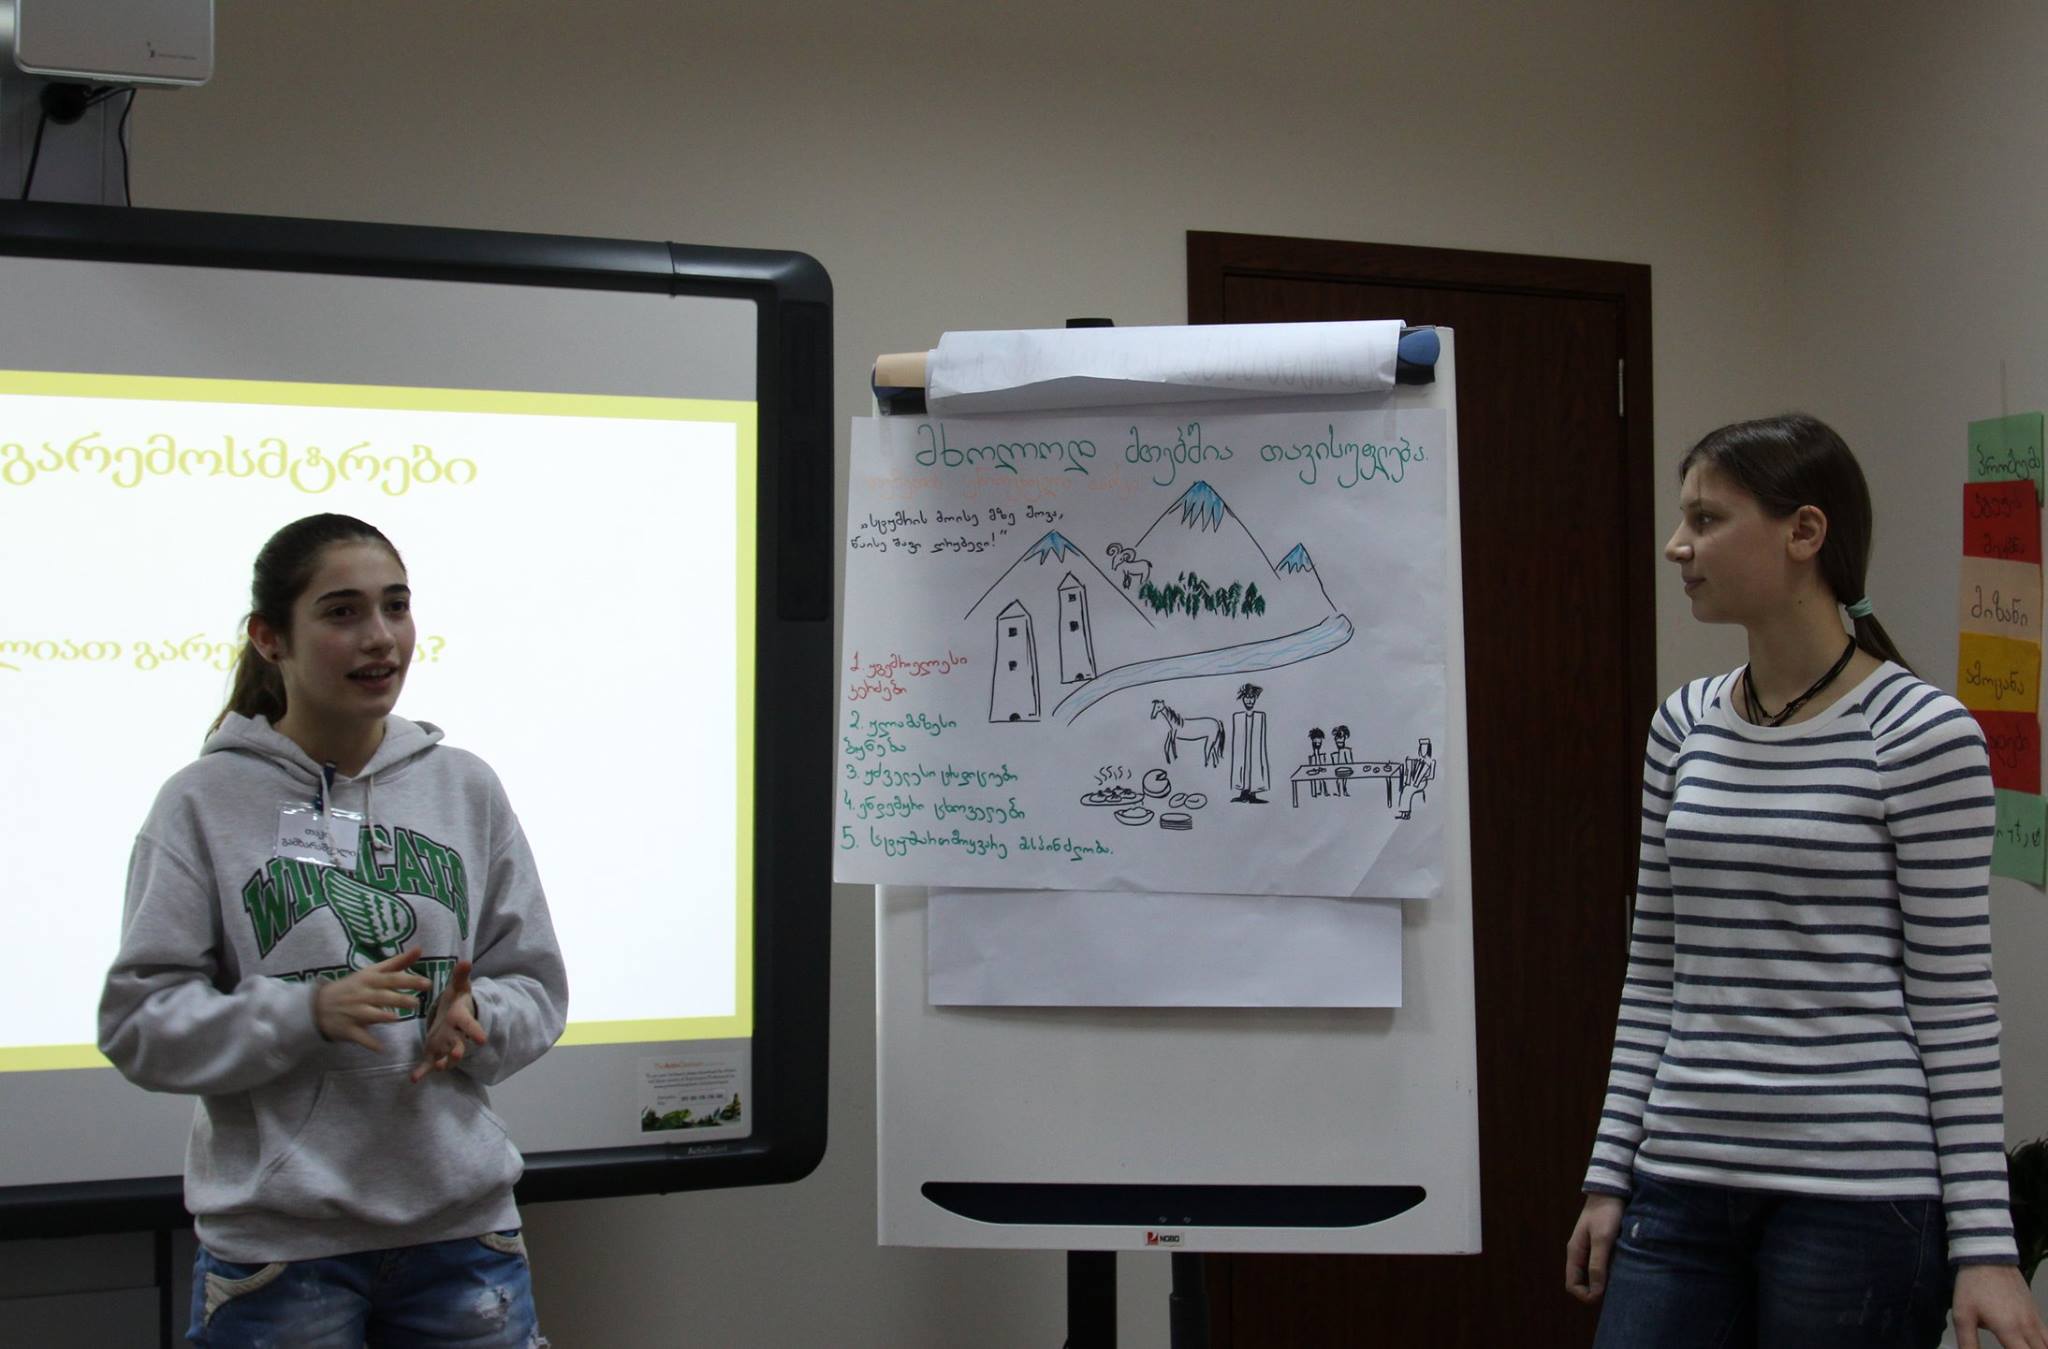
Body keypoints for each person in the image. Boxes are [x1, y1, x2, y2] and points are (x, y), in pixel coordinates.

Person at [1564, 415, 2046, 1348]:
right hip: (1682, 1178)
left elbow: (1954, 998)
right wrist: (1609, 1170)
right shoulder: (1684, 724)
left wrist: (1986, 1244)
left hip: (1860, 1200)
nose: (1678, 545)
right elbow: (1654, 969)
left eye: (1707, 519)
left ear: (1805, 532)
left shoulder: (1922, 733)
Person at [99, 513, 567, 1348]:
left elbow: (535, 985)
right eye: (343, 612)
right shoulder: (200, 803)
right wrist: (305, 1013)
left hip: (464, 1237)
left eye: (396, 606)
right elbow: (139, 1024)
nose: (380, 637)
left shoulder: (465, 788)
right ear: (270, 638)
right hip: (282, 1254)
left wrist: (480, 1016)